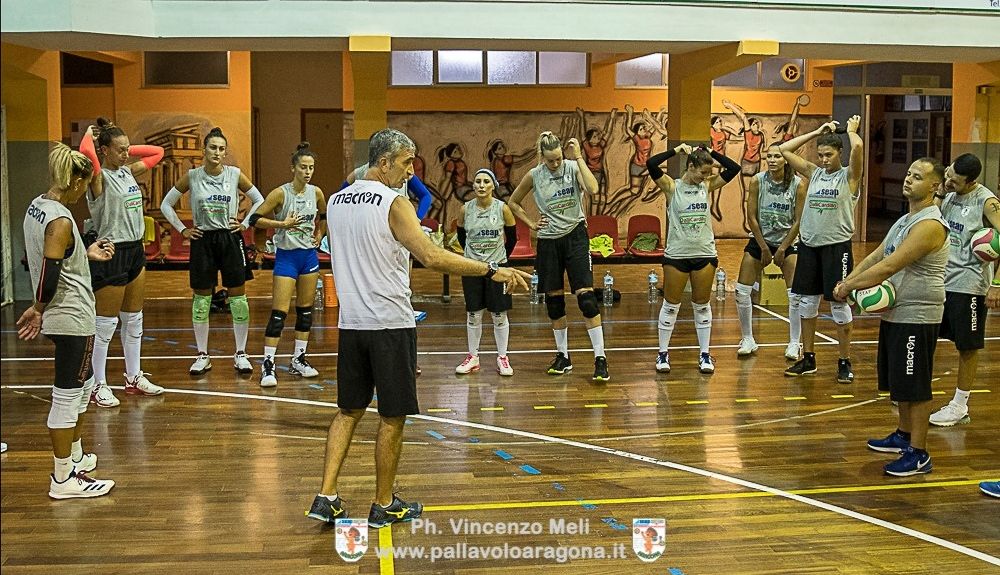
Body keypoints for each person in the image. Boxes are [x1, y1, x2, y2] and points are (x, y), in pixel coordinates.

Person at [306, 129, 529, 528]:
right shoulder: (394, 203)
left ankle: (326, 496)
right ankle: (383, 503)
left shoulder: (337, 201)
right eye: (406, 162)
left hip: (352, 324)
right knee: (393, 417)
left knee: (348, 410)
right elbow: (431, 256)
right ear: (384, 162)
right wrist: (491, 270)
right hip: (390, 324)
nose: (411, 171)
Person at [833, 158, 948, 476]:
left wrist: (849, 287)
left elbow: (890, 265)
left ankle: (919, 453)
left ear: (934, 186)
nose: (908, 179)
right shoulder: (905, 220)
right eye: (909, 174)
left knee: (916, 385)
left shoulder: (930, 225)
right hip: (897, 313)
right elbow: (876, 255)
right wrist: (847, 281)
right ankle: (903, 435)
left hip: (918, 315)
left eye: (918, 176)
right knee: (900, 383)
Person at [17, 143, 116, 498]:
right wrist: (38, 308)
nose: (84, 193)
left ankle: (74, 457)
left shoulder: (37, 206)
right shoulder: (60, 220)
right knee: (67, 396)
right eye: (84, 185)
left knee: (84, 385)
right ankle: (63, 479)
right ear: (75, 181)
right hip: (71, 316)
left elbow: (53, 255)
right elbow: (49, 273)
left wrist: (84, 253)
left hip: (63, 314)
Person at [160, 127, 265, 376]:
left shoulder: (234, 174)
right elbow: (166, 204)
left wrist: (245, 223)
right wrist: (182, 230)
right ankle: (202, 355)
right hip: (203, 240)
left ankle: (241, 353)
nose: (217, 152)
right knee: (201, 300)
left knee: (238, 299)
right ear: (204, 150)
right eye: (213, 147)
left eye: (221, 148)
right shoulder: (192, 176)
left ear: (224, 152)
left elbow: (259, 200)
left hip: (229, 238)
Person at [77, 117, 166, 407]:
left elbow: (158, 153)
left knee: (134, 319)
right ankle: (97, 385)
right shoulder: (98, 177)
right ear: (104, 151)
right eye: (120, 150)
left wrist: (122, 144)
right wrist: (92, 135)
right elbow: (85, 150)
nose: (126, 154)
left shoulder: (127, 172)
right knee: (105, 324)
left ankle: (133, 377)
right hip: (110, 251)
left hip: (135, 250)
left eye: (128, 149)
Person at [508, 131, 608, 382]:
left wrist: (579, 158)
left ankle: (600, 358)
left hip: (575, 236)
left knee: (587, 300)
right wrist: (532, 224)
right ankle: (563, 356)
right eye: (550, 160)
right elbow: (513, 202)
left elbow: (593, 188)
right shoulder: (534, 175)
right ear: (542, 157)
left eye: (559, 159)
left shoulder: (573, 168)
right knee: (554, 302)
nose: (555, 164)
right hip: (549, 242)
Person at [780, 116, 864, 383]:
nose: (824, 160)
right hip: (809, 247)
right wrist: (816, 131)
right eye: (820, 155)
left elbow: (858, 147)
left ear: (840, 153)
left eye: (829, 154)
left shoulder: (849, 177)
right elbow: (784, 150)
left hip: (836, 248)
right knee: (806, 303)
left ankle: (844, 361)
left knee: (839, 303)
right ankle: (809, 359)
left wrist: (851, 131)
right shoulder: (814, 173)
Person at [646, 144, 741, 374]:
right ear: (690, 166)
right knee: (671, 306)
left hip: (704, 254)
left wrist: (711, 152)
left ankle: (705, 355)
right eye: (702, 172)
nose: (705, 177)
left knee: (702, 305)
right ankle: (662, 353)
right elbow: (651, 164)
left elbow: (734, 168)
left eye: (709, 173)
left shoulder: (706, 186)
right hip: (677, 255)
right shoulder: (672, 186)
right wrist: (675, 151)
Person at [928, 154, 1000, 426]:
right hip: (940, 279)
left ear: (971, 182)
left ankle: (959, 406)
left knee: (967, 347)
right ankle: (918, 391)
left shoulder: (986, 202)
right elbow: (932, 222)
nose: (949, 182)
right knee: (927, 335)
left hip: (969, 284)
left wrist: (996, 284)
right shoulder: (946, 193)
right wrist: (940, 193)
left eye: (955, 181)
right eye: (948, 175)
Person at [247, 142, 326, 388]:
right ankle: (268, 364)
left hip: (308, 257)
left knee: (305, 312)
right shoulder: (280, 194)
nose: (307, 172)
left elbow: (323, 216)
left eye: (311, 167)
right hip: (287, 257)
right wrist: (281, 225)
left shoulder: (316, 193)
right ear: (293, 168)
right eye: (303, 167)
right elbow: (254, 219)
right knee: (279, 314)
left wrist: (320, 233)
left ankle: (298, 359)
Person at [735, 144, 807, 360]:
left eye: (777, 156)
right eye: (769, 156)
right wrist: (764, 247)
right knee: (741, 290)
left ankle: (794, 342)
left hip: (788, 241)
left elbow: (798, 221)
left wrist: (783, 248)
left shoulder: (798, 184)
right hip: (761, 240)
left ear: (786, 160)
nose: (772, 160)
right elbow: (751, 216)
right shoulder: (758, 180)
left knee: (795, 295)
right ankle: (747, 338)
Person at [455, 168, 518, 376]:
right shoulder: (465, 209)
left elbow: (512, 238)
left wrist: (501, 261)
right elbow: (462, 237)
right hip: (472, 268)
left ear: (493, 186)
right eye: (478, 181)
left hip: (497, 268)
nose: (481, 185)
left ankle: (503, 357)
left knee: (499, 315)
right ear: (473, 185)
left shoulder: (503, 209)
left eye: (486, 182)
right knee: (474, 314)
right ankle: (473, 357)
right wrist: (473, 258)